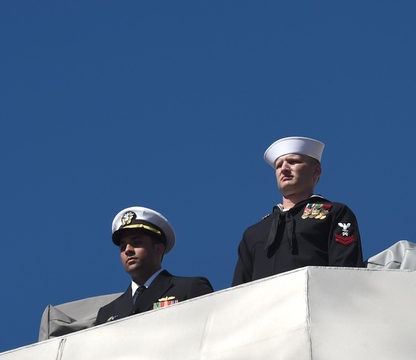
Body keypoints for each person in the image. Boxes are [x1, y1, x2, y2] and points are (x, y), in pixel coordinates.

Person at [232, 136, 364, 285]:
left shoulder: (335, 213)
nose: (284, 169)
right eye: (279, 165)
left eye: (293, 161)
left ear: (316, 171)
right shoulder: (254, 233)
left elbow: (346, 271)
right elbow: (238, 291)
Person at [96, 207, 214, 325]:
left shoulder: (189, 288)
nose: (128, 250)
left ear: (158, 249)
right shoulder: (106, 313)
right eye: (123, 247)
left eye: (136, 243)